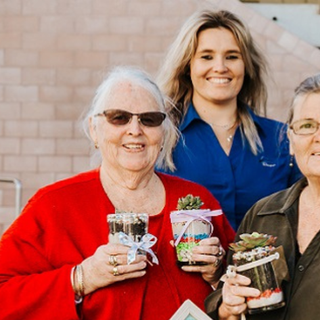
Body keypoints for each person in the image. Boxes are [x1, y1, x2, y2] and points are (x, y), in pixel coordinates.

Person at [0, 66, 235, 320]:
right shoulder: (54, 206)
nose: (135, 129)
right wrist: (82, 277)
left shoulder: (197, 202)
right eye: (118, 117)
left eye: (149, 119)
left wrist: (216, 274)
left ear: (164, 132)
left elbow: (242, 289)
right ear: (94, 129)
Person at [156, 9, 302, 230]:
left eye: (232, 56)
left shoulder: (281, 140)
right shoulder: (160, 139)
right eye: (206, 56)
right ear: (187, 66)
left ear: (246, 65)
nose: (220, 67)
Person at [205, 73, 320, 320]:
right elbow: (228, 291)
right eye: (307, 125)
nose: (318, 137)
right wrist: (227, 308)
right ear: (290, 139)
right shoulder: (262, 215)